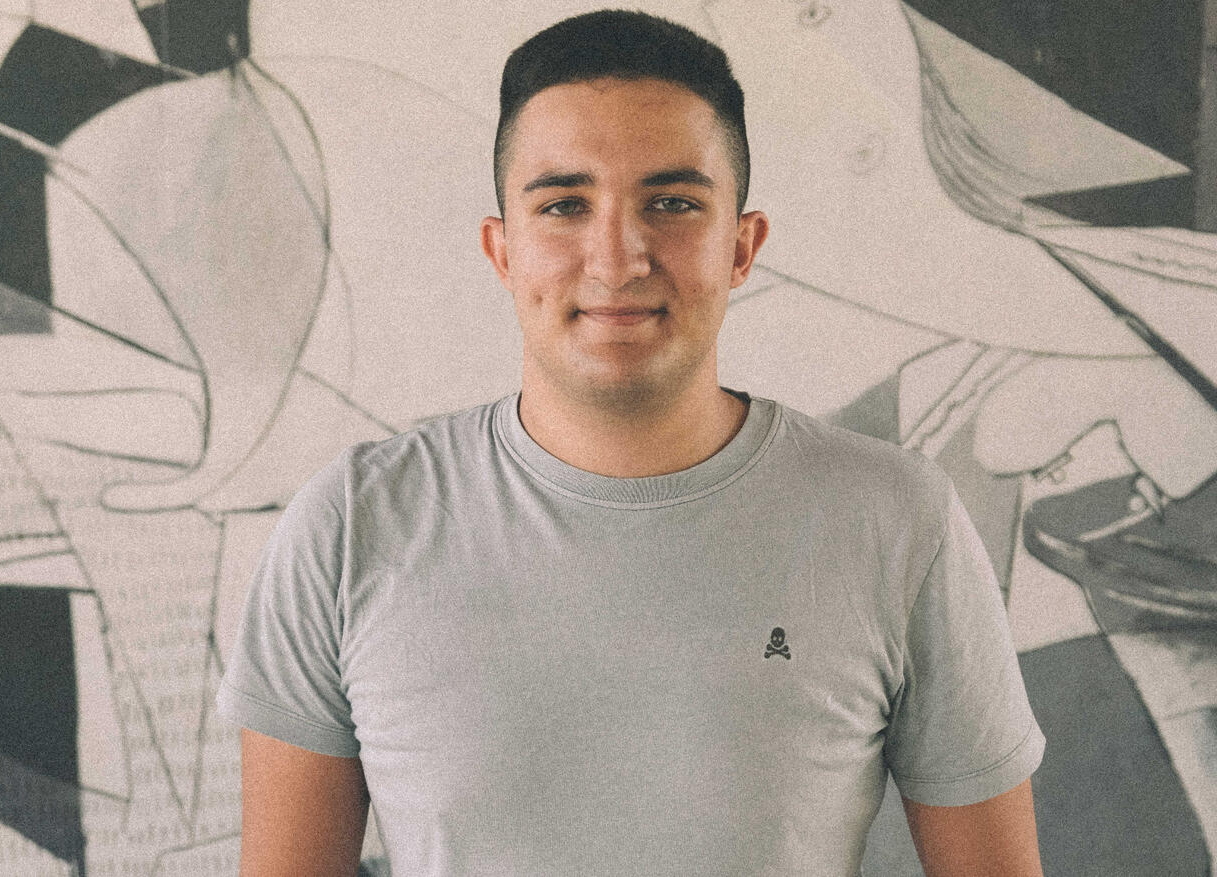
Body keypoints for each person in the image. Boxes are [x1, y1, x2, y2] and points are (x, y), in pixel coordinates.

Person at [217, 9, 1046, 875]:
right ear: (503, 250)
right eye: (564, 205)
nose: (617, 260)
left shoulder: (895, 519)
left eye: (673, 203)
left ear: (742, 246)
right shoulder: (352, 526)